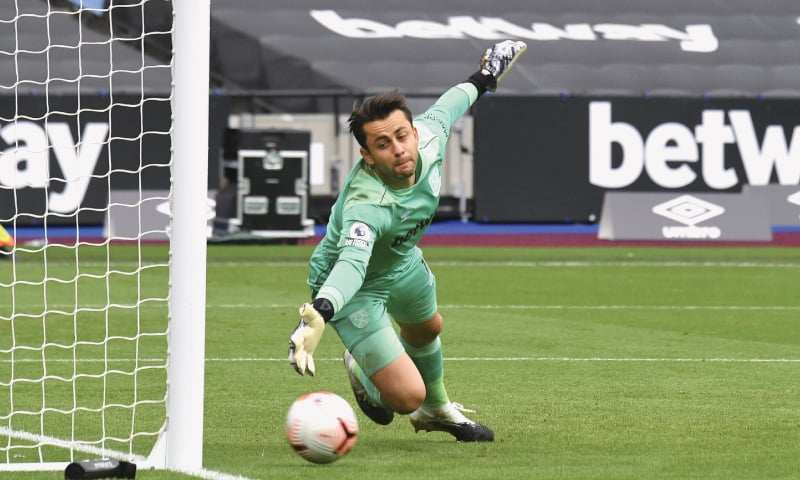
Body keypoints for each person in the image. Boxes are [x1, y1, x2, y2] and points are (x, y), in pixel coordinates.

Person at [288, 40, 527, 442]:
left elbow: (453, 102)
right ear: (367, 155)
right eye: (383, 144)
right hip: (352, 286)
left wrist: (485, 76)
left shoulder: (429, 138)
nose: (399, 150)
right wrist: (322, 312)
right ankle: (363, 367)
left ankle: (436, 410)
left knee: (428, 328)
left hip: (400, 261)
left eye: (402, 135)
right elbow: (351, 264)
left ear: (415, 132)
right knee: (403, 397)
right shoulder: (367, 205)